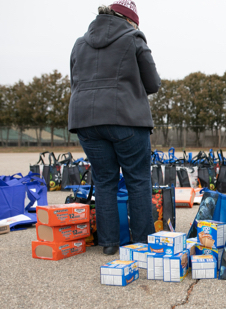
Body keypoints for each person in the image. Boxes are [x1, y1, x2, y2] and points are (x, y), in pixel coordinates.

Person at [68, 1, 161, 255]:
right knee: (138, 179)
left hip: (86, 119)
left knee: (104, 181)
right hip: (126, 118)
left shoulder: (79, 43)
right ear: (130, 20)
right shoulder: (133, 37)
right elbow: (152, 83)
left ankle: (109, 244)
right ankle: (142, 242)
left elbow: (75, 81)